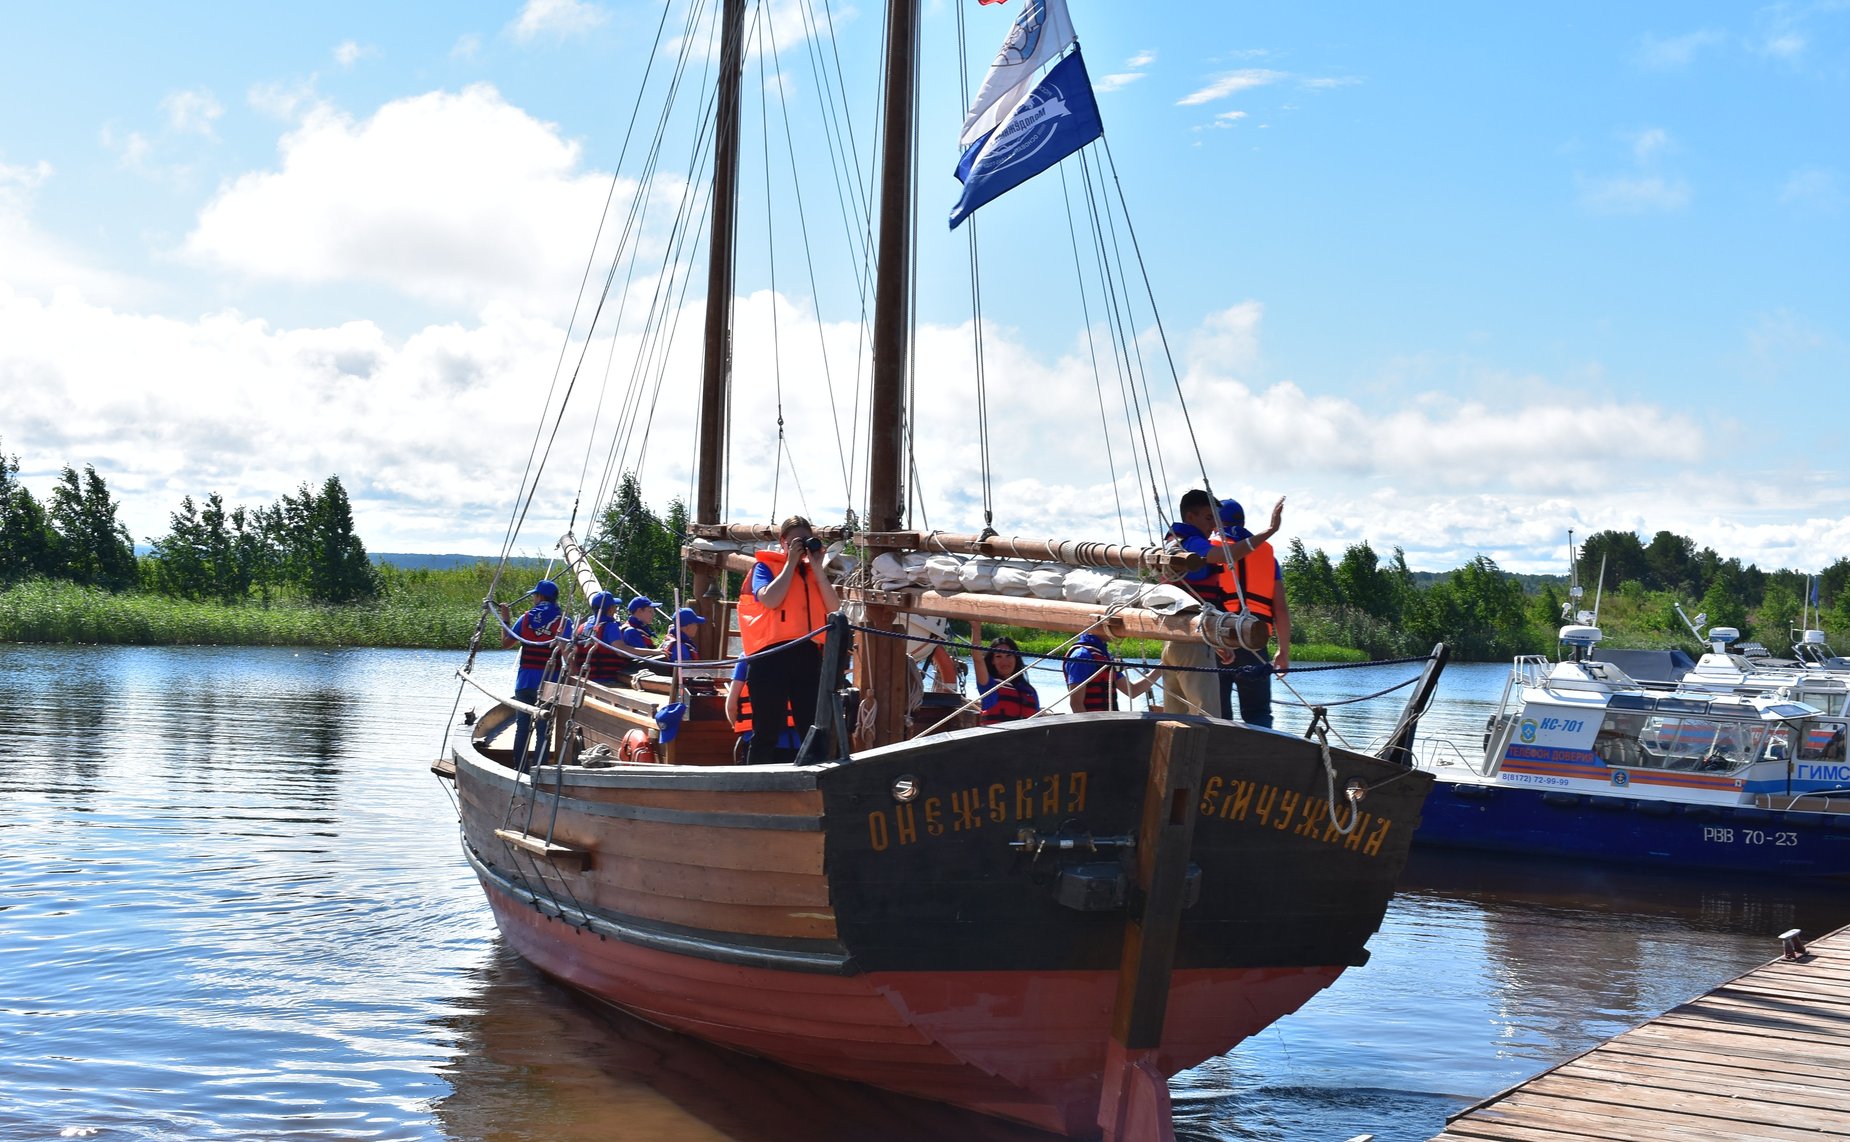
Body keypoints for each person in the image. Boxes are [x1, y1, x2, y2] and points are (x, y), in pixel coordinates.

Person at [1159, 489, 1283, 717]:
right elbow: (1224, 555)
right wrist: (1270, 531)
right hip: (1196, 643)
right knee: (1210, 719)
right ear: (1190, 518)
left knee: (1177, 716)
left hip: (1175, 641)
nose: (1213, 526)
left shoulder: (1174, 542)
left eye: (1215, 520)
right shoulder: (1193, 543)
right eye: (1208, 518)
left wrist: (1218, 644)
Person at [737, 515, 841, 765]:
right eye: (795, 541)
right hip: (770, 659)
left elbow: (835, 608)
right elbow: (770, 600)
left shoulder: (813, 572)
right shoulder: (764, 568)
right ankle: (757, 788)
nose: (801, 545)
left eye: (806, 540)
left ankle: (812, 784)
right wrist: (790, 562)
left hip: (807, 656)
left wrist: (817, 568)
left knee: (812, 728)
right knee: (766, 730)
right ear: (783, 542)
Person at [1213, 497, 1291, 729]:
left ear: (1216, 522)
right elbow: (1281, 610)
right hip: (1254, 641)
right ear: (1242, 521)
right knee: (1258, 715)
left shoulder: (1210, 551)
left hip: (1218, 639)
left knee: (1218, 716)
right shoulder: (1267, 555)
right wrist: (1283, 651)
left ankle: (1216, 763)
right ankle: (1261, 763)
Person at [497, 578, 572, 769]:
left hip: (524, 683)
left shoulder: (526, 618)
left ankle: (519, 768)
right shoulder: (564, 621)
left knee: (522, 729)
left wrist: (505, 617)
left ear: (539, 597)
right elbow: (567, 655)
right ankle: (540, 768)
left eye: (534, 596)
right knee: (543, 730)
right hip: (549, 683)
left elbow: (506, 643)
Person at [725, 656, 802, 763]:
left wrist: (741, 729)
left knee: (755, 778)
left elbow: (731, 707)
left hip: (754, 740)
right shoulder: (804, 654)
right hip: (795, 743)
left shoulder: (746, 657)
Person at [1062, 631, 1153, 713]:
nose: (1119, 632)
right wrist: (1088, 730)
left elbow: (1133, 691)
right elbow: (1076, 703)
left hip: (1110, 722)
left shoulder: (1104, 656)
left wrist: (1162, 667)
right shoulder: (1081, 656)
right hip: (1093, 725)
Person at [970, 621, 1040, 724]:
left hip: (1025, 738)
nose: (1004, 662)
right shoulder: (990, 686)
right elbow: (977, 659)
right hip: (997, 739)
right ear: (992, 661)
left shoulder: (1029, 691)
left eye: (1008, 655)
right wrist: (976, 627)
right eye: (999, 656)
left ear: (1016, 657)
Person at [578, 592, 628, 687]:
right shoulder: (610, 627)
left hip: (584, 679)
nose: (616, 610)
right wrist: (653, 652)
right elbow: (622, 651)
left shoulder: (581, 627)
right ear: (610, 609)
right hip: (605, 680)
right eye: (614, 607)